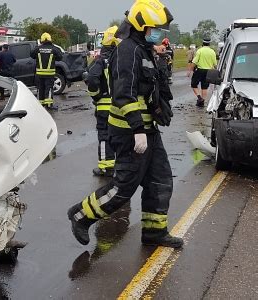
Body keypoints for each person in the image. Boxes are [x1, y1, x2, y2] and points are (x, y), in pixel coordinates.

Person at [67, 0, 183, 249]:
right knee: (124, 187)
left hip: (148, 130)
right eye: (157, 28)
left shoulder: (144, 50)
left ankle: (154, 232)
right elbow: (123, 94)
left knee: (160, 181)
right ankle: (80, 215)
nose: (161, 33)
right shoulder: (128, 51)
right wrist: (138, 130)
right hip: (131, 132)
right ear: (142, 26)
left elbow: (150, 91)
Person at [86, 26, 119, 177]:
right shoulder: (123, 59)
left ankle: (106, 167)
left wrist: (96, 95)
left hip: (105, 106)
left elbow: (92, 79)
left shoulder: (100, 60)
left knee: (104, 136)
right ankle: (119, 165)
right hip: (122, 106)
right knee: (119, 136)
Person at [30, 33, 63, 109]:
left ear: (41, 40)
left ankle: (40, 105)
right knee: (49, 88)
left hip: (39, 74)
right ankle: (49, 105)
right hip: (49, 74)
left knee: (40, 88)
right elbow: (60, 57)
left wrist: (37, 47)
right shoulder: (53, 48)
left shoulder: (38, 48)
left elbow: (31, 55)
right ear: (50, 39)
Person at [188, 37, 217, 107]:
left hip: (200, 70)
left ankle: (199, 97)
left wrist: (190, 71)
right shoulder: (212, 52)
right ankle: (203, 101)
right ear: (209, 43)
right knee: (204, 87)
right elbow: (215, 64)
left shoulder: (199, 51)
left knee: (194, 84)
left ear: (202, 43)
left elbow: (194, 62)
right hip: (208, 71)